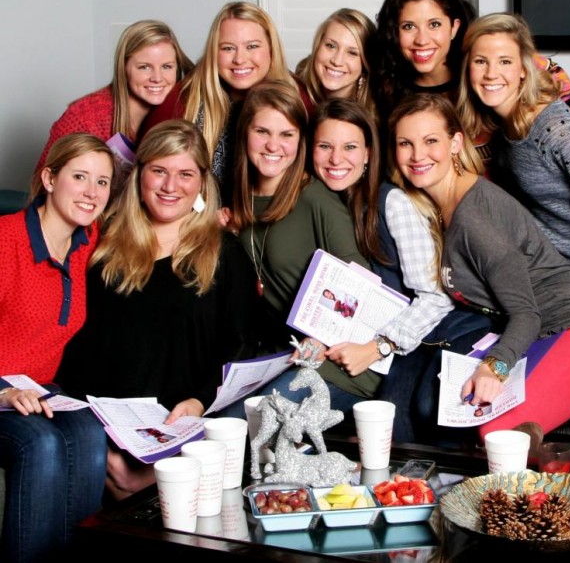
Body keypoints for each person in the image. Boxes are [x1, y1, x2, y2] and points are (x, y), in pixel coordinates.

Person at [389, 91, 570, 441]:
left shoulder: (474, 219)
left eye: (430, 141)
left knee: (498, 433)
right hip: (544, 335)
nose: (418, 154)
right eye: (406, 143)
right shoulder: (444, 205)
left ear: (455, 144)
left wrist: (493, 368)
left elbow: (526, 314)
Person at [55, 119, 259, 501]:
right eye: (159, 171)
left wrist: (200, 400)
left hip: (184, 426)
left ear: (201, 181)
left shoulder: (224, 254)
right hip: (107, 426)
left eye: (185, 174)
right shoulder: (104, 247)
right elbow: (83, 346)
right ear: (139, 175)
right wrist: (98, 442)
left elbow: (242, 346)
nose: (170, 186)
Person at [309, 97, 492, 443]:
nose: (336, 159)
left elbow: (435, 298)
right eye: (324, 146)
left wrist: (376, 348)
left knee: (407, 411)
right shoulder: (323, 202)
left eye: (349, 147)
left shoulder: (391, 202)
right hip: (378, 339)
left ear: (368, 153)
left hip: (430, 332)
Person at [216, 81, 371, 416]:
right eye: (262, 131)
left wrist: (324, 337)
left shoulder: (316, 199)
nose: (273, 145)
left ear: (301, 141)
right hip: (281, 360)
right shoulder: (240, 204)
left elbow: (364, 288)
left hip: (336, 368)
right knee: (214, 419)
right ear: (245, 133)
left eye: (286, 134)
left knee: (237, 423)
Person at [456, 12, 570, 315]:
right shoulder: (499, 123)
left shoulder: (554, 127)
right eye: (481, 61)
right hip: (568, 265)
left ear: (523, 68)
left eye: (505, 61)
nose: (492, 73)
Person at [0, 134, 114, 562]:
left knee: (88, 430)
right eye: (79, 176)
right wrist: (5, 391)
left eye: (102, 182)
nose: (91, 192)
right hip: (2, 394)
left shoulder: (88, 243)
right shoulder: (6, 240)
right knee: (41, 445)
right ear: (49, 178)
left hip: (41, 391)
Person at [371, 0, 570, 160]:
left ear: (454, 27)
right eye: (409, 27)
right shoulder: (389, 88)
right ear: (395, 31)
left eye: (434, 24)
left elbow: (550, 69)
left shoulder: (481, 61)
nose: (422, 39)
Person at [140, 1, 310, 210]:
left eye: (252, 46)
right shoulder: (184, 99)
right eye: (228, 48)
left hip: (278, 214)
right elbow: (152, 174)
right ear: (214, 52)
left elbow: (317, 168)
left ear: (271, 50)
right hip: (203, 222)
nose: (240, 59)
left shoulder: (297, 95)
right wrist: (204, 214)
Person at [35, 20, 193, 182]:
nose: (157, 78)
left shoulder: (182, 111)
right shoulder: (85, 118)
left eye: (167, 67)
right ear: (123, 68)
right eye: (144, 67)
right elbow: (44, 185)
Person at [296, 8, 377, 117]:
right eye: (331, 46)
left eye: (352, 53)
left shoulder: (379, 114)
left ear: (365, 63)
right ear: (317, 46)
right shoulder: (294, 96)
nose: (337, 61)